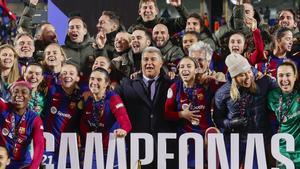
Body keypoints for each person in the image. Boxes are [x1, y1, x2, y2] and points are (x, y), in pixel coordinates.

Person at [115, 47, 177, 169]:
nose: (149, 63)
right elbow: (111, 100)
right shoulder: (126, 84)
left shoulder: (172, 84)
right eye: (145, 59)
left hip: (165, 149)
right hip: (137, 149)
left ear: (161, 63)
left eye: (153, 59)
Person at [214, 53, 277, 168]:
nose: (248, 77)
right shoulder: (222, 93)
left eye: (248, 72)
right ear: (234, 77)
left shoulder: (263, 81)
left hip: (258, 141)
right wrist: (230, 123)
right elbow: (217, 119)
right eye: (242, 75)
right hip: (234, 141)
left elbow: (283, 92)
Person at [165, 57, 216, 168]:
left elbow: (226, 86)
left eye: (189, 66)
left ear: (196, 69)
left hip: (206, 134)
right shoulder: (175, 88)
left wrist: (216, 77)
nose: (185, 69)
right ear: (178, 71)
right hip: (186, 137)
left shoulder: (206, 84)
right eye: (182, 67)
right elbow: (167, 113)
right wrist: (182, 114)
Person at [79, 68, 131, 168]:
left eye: (99, 80)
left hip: (113, 150)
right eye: (92, 79)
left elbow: (125, 120)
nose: (94, 82)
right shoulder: (89, 101)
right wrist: (88, 137)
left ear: (106, 83)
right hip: (94, 149)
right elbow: (83, 124)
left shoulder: (113, 98)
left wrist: (123, 129)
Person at [42, 63, 81, 167]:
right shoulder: (51, 89)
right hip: (48, 147)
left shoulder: (82, 97)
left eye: (71, 73)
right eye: (64, 73)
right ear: (59, 77)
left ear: (77, 78)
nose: (67, 75)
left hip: (68, 150)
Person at [0, 80, 44, 169]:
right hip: (3, 162)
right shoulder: (3, 108)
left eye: (24, 92)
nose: (19, 95)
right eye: (15, 92)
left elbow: (39, 144)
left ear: (30, 97)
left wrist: (33, 167)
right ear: (10, 95)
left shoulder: (35, 119)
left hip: (23, 164)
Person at [268, 60, 300, 168]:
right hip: (282, 151)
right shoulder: (272, 96)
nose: (284, 79)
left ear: (295, 77)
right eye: (280, 75)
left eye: (288, 75)